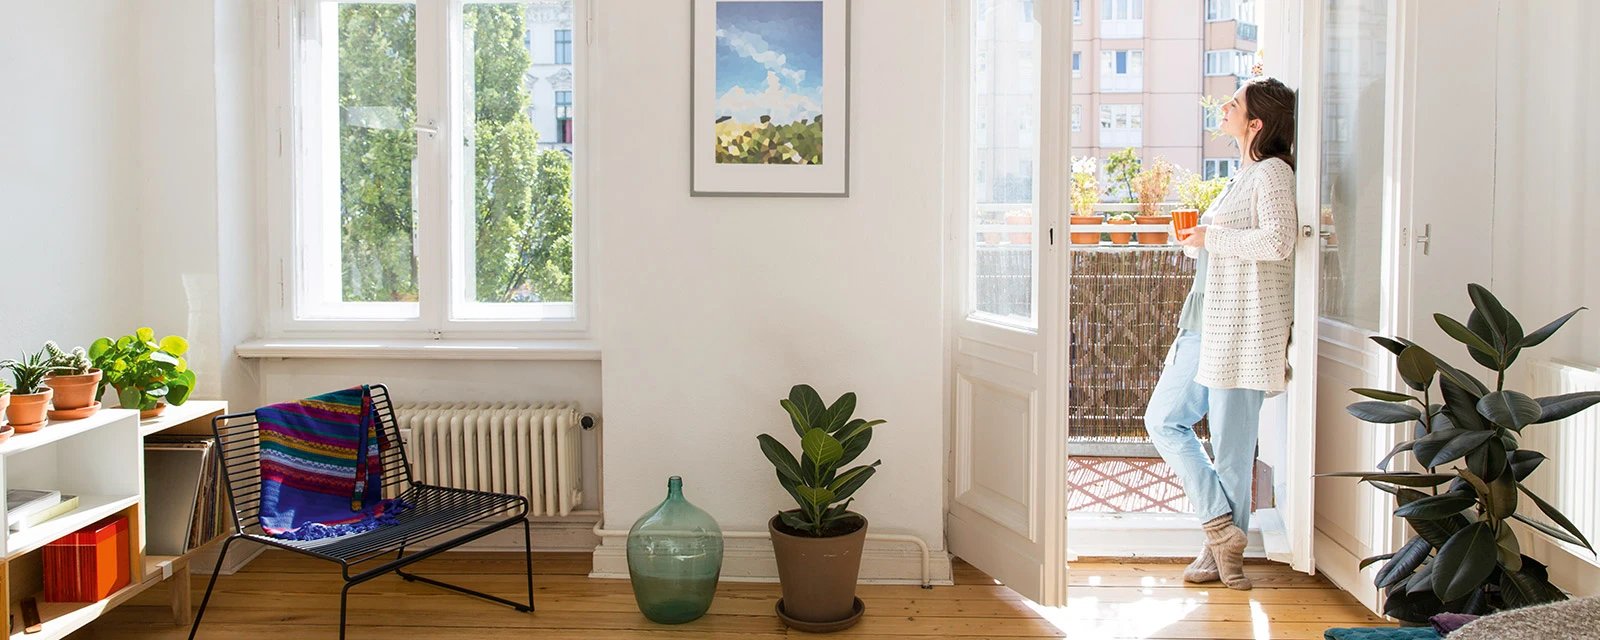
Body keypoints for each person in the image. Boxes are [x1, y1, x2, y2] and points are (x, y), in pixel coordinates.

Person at [1144, 76, 1298, 591]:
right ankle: (1222, 529)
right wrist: (1195, 241)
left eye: (1235, 104)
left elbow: (1278, 243)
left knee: (1233, 447)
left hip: (1243, 326)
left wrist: (1212, 235)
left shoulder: (1273, 173)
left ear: (1255, 124)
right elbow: (1225, 246)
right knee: (1164, 419)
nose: (1225, 107)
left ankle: (1218, 556)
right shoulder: (1243, 175)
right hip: (1205, 320)